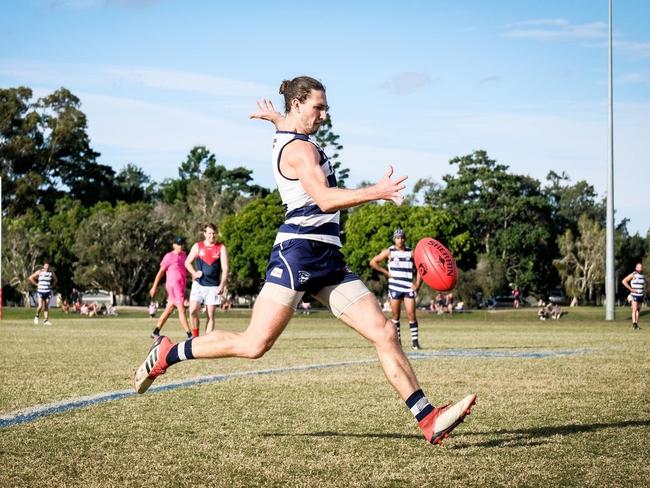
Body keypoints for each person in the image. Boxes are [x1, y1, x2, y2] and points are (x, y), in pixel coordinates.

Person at [134, 76, 476, 445]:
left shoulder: (292, 135)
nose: (325, 115)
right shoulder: (300, 151)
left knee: (383, 331)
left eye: (326, 107)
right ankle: (168, 353)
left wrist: (276, 119)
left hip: (327, 256)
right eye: (319, 107)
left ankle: (428, 419)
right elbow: (325, 199)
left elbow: (288, 129)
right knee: (254, 345)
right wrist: (376, 191)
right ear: (297, 104)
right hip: (297, 253)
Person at [369, 228, 422, 350]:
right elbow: (373, 262)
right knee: (395, 315)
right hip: (395, 286)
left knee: (411, 314)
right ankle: (397, 342)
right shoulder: (389, 251)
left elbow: (421, 267)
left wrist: (417, 283)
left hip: (408, 286)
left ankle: (415, 343)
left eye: (402, 237)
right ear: (394, 239)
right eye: (398, 238)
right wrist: (386, 273)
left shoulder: (411, 252)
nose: (400, 240)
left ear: (405, 239)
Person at [185, 223, 229, 336]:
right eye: (209, 233)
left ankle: (205, 341)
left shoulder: (221, 248)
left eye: (214, 233)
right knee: (193, 310)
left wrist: (222, 285)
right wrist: (194, 273)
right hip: (199, 285)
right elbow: (187, 262)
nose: (212, 236)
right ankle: (194, 337)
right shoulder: (198, 246)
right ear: (205, 234)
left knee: (210, 315)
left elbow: (225, 268)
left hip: (213, 286)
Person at [149, 236, 192, 339]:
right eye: (178, 244)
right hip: (174, 286)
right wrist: (154, 287)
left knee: (169, 309)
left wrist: (195, 275)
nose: (180, 246)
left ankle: (155, 331)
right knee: (181, 310)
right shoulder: (169, 256)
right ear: (173, 245)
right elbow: (160, 272)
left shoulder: (184, 256)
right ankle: (190, 335)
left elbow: (186, 270)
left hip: (180, 286)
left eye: (181, 244)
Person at [622, 263, 645, 330]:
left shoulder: (643, 275)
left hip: (641, 295)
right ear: (636, 268)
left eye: (641, 266)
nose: (641, 268)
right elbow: (624, 281)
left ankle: (636, 324)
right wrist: (631, 289)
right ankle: (634, 323)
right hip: (634, 294)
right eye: (639, 267)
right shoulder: (633, 274)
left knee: (638, 309)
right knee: (634, 309)